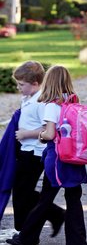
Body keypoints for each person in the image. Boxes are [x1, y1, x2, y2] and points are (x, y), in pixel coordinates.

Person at [7, 66, 87, 245]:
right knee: (74, 199)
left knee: (44, 200)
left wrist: (40, 136)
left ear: (48, 82)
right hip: (75, 158)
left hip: (58, 158)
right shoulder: (73, 101)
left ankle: (27, 238)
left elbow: (50, 134)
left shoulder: (52, 105)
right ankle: (78, 241)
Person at [10, 61, 66, 235]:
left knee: (22, 191)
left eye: (21, 85)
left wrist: (26, 134)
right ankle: (49, 217)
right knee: (21, 190)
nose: (19, 88)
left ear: (35, 83)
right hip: (25, 150)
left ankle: (35, 224)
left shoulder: (40, 101)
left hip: (35, 152)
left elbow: (47, 128)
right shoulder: (29, 98)